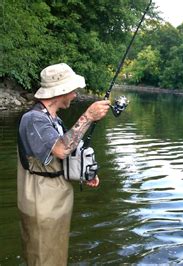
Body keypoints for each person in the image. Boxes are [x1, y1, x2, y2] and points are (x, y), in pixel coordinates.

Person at [17, 63, 110, 265]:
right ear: (60, 92)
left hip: (57, 198)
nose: (75, 95)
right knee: (42, 258)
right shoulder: (33, 119)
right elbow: (61, 149)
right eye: (72, 90)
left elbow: (64, 154)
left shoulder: (53, 119)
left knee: (56, 257)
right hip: (42, 202)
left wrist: (84, 173)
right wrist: (88, 116)